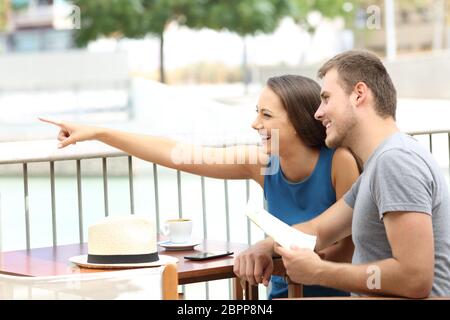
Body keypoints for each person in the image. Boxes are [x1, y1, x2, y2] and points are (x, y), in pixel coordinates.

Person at [40, 75, 360, 298]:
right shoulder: (263, 163)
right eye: (255, 113)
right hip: (282, 295)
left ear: (300, 121)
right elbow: (177, 154)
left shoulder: (339, 162)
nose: (254, 124)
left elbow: (345, 252)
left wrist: (266, 247)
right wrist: (99, 133)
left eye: (266, 114)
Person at [271, 51, 450, 298]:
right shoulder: (379, 164)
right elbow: (320, 230)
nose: (318, 113)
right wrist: (264, 247)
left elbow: (414, 278)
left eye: (326, 98)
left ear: (358, 94)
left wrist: (319, 272)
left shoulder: (395, 161)